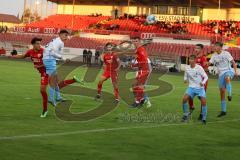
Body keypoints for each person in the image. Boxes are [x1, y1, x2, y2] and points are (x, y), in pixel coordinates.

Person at [10, 37, 81, 118]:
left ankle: (45, 110)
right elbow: (23, 56)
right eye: (37, 43)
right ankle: (73, 80)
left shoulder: (44, 51)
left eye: (40, 43)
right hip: (43, 73)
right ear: (33, 44)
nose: (39, 45)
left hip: (48, 72)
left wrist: (39, 65)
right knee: (54, 87)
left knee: (44, 89)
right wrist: (13, 56)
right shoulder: (30, 52)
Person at [43, 30, 82, 107]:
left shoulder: (58, 41)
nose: (66, 37)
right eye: (65, 35)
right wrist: (63, 58)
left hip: (49, 60)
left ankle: (58, 97)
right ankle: (51, 99)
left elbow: (49, 50)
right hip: (49, 60)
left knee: (55, 80)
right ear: (60, 35)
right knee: (53, 81)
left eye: (67, 35)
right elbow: (51, 52)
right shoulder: (59, 42)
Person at [116, 38, 151, 108]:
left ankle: (137, 102)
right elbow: (135, 56)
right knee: (134, 86)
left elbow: (144, 61)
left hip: (144, 70)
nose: (135, 42)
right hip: (142, 70)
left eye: (136, 41)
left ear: (139, 42)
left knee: (138, 86)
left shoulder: (140, 49)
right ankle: (141, 100)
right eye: (134, 41)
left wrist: (134, 65)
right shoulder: (139, 49)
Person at [209, 42, 238, 117]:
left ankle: (230, 95)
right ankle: (223, 111)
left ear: (221, 47)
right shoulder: (214, 56)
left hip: (229, 70)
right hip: (220, 74)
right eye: (214, 46)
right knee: (222, 92)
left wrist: (235, 72)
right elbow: (209, 63)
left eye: (216, 46)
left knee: (227, 77)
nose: (214, 47)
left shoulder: (226, 53)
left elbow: (233, 62)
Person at [182, 55, 208, 124]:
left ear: (195, 60)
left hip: (200, 88)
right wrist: (185, 80)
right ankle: (185, 115)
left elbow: (206, 77)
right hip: (191, 87)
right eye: (190, 59)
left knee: (204, 102)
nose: (190, 60)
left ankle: (204, 118)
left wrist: (203, 82)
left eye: (192, 59)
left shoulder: (199, 68)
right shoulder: (187, 68)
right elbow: (185, 76)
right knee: (184, 99)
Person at [188, 44, 208, 120]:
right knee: (189, 95)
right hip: (194, 81)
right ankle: (192, 106)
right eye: (195, 48)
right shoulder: (193, 58)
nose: (196, 49)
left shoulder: (203, 58)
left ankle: (202, 113)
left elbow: (206, 70)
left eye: (198, 48)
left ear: (201, 49)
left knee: (201, 97)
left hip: (201, 81)